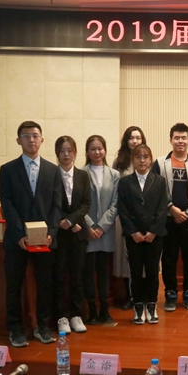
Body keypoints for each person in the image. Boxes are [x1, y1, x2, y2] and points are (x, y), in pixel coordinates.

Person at [0, 121, 62, 347]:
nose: (31, 140)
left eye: (35, 135)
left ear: (42, 140)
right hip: (16, 240)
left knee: (45, 284)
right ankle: (15, 329)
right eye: (26, 136)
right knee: (14, 285)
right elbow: (7, 204)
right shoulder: (7, 170)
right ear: (18, 140)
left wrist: (51, 233)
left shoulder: (53, 170)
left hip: (45, 240)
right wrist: (19, 234)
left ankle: (43, 327)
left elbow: (57, 205)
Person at [152, 123, 188, 311]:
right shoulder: (160, 163)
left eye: (184, 137)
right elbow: (155, 189)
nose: (180, 141)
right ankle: (170, 294)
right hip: (167, 221)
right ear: (171, 140)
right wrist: (172, 209)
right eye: (176, 137)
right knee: (168, 259)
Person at [118, 144, 168, 324]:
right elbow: (122, 210)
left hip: (154, 235)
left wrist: (153, 231)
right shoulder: (125, 182)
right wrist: (133, 232)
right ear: (133, 160)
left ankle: (151, 306)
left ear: (150, 160)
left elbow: (162, 209)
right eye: (138, 157)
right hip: (134, 236)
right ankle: (138, 306)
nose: (142, 160)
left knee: (153, 271)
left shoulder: (160, 181)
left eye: (145, 157)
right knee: (136, 271)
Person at [52, 136, 92, 335]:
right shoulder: (51, 174)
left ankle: (76, 315)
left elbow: (86, 203)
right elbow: (50, 203)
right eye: (62, 151)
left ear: (75, 152)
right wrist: (65, 222)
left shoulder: (83, 175)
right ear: (57, 153)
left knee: (77, 276)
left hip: (77, 234)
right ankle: (61, 317)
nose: (66, 154)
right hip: (58, 234)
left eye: (70, 150)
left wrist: (72, 221)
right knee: (59, 276)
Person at [82, 135, 120, 325]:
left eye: (100, 148)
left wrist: (102, 226)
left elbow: (115, 203)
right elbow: (79, 203)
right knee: (88, 272)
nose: (97, 152)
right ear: (87, 152)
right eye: (93, 149)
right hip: (87, 232)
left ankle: (105, 309)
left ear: (105, 150)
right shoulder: (80, 173)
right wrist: (90, 225)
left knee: (103, 272)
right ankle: (92, 310)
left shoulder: (114, 174)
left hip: (106, 232)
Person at [112, 126, 147, 311]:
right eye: (131, 138)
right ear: (126, 140)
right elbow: (115, 191)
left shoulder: (147, 160)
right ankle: (129, 296)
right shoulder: (119, 162)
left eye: (138, 137)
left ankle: (143, 296)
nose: (135, 141)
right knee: (126, 259)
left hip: (144, 218)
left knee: (143, 259)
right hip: (124, 217)